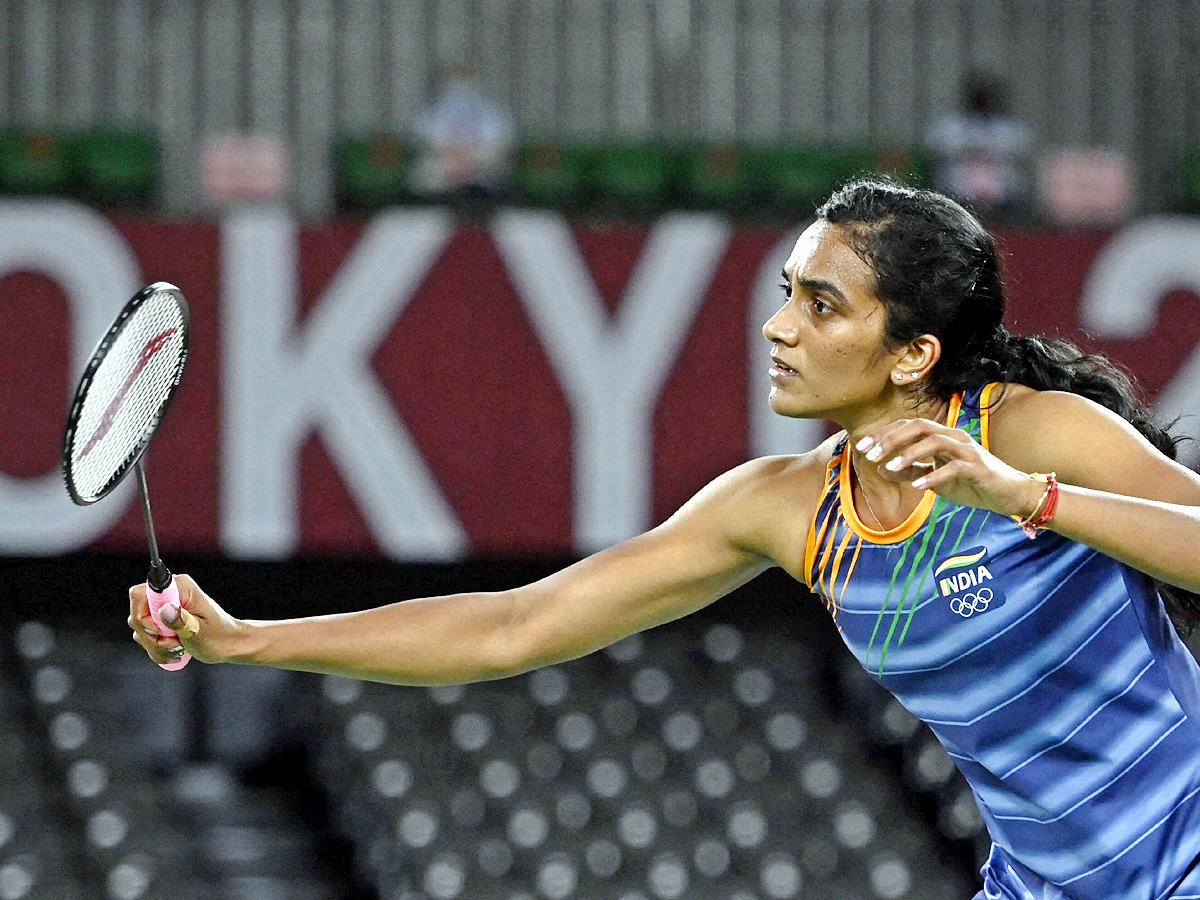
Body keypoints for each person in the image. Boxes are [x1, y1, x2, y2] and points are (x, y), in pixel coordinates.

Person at [130, 179, 1200, 899]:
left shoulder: (1033, 433)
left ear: (911, 351)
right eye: (786, 293)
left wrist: (1029, 498)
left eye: (822, 305)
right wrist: (252, 641)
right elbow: (516, 625)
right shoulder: (786, 510)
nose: (778, 326)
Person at [926, 71, 1036, 217]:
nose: (982, 100)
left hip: (1003, 198)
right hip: (957, 194)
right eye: (978, 96)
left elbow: (1025, 149)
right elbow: (934, 146)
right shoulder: (950, 127)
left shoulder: (1009, 129)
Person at [411, 62, 515, 198]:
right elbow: (425, 134)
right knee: (424, 176)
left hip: (480, 163)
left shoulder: (487, 108)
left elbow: (500, 137)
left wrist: (472, 159)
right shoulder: (439, 106)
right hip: (446, 161)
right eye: (460, 74)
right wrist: (452, 155)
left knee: (496, 176)